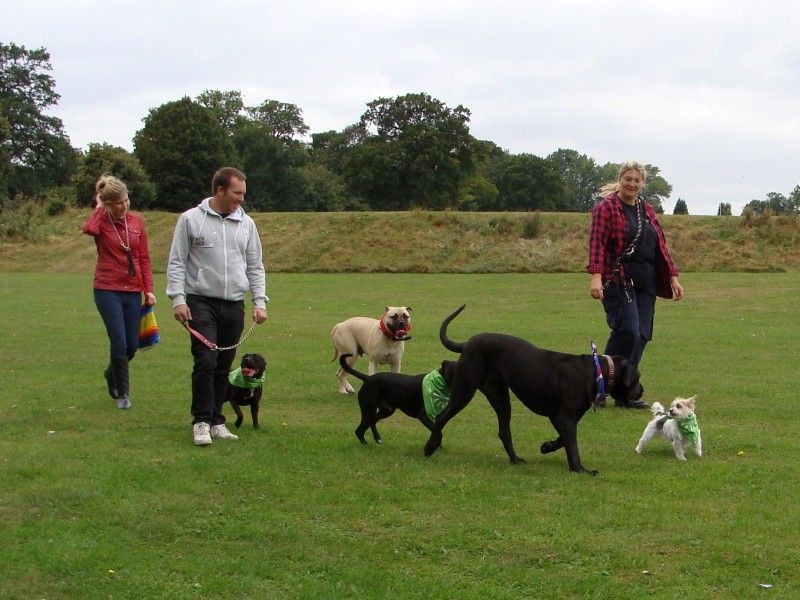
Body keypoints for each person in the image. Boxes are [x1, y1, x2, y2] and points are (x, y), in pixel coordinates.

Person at [166, 167, 268, 446]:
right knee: (206, 360)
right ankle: (200, 421)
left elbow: (255, 265)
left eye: (243, 193)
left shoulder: (247, 224)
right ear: (220, 190)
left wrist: (259, 301)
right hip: (200, 301)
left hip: (234, 303)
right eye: (237, 193)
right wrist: (177, 299)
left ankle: (216, 420)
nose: (241, 199)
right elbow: (177, 261)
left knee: (224, 364)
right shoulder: (190, 220)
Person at [587, 161, 684, 408]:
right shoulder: (606, 208)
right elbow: (597, 243)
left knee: (641, 335)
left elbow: (660, 246)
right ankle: (596, 386)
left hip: (645, 281)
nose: (632, 184)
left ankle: (624, 392)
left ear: (642, 183)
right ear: (620, 180)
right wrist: (596, 276)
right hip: (618, 279)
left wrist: (673, 277)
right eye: (628, 179)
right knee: (627, 330)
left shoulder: (646, 210)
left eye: (636, 180)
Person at [83, 175, 156, 409]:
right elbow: (89, 229)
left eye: (126, 200)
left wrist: (149, 290)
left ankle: (111, 372)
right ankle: (123, 394)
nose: (124, 206)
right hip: (107, 289)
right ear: (108, 204)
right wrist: (98, 208)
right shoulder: (101, 221)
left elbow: (143, 258)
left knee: (132, 345)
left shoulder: (136, 222)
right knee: (118, 341)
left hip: (132, 289)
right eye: (118, 203)